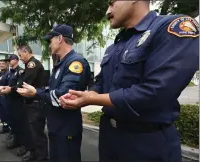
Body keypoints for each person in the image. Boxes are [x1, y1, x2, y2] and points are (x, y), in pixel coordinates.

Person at [59, 1, 199, 162]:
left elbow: (156, 91)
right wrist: (86, 95)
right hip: (109, 138)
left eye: (112, 3)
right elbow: (101, 83)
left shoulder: (172, 27)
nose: (107, 11)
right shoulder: (114, 47)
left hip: (146, 141)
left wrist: (92, 99)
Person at [17, 24, 91, 162]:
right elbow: (50, 89)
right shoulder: (60, 64)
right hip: (55, 125)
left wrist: (35, 93)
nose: (49, 45)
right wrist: (38, 92)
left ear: (60, 38)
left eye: (51, 40)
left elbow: (63, 96)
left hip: (66, 128)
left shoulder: (75, 62)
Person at [1, 46, 48, 162]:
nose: (20, 58)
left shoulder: (32, 64)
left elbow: (24, 83)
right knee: (31, 131)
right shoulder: (29, 65)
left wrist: (10, 89)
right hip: (30, 103)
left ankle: (42, 157)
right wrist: (11, 87)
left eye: (20, 55)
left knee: (37, 133)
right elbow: (20, 81)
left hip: (36, 104)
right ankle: (34, 153)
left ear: (26, 52)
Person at [0, 59, 10, 134]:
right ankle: (5, 127)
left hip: (5, 97)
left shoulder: (8, 73)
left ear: (7, 65)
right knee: (1, 112)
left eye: (3, 64)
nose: (1, 65)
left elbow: (9, 86)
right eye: (0, 63)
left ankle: (10, 128)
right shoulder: (0, 73)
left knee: (7, 112)